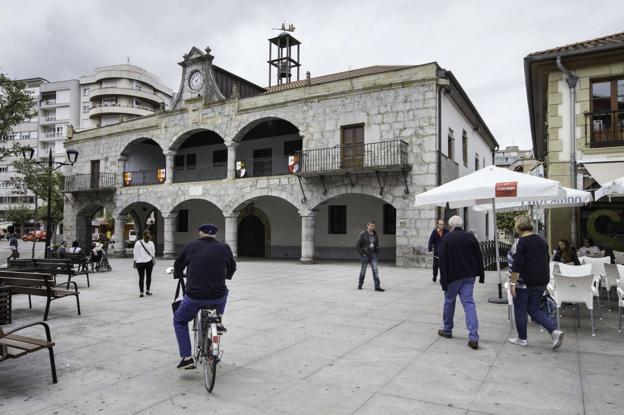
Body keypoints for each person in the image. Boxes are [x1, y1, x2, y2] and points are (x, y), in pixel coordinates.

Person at [173, 223, 236, 369]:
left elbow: (179, 264)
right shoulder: (224, 247)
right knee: (225, 291)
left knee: (179, 320)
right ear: (214, 234)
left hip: (195, 297)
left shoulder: (191, 246)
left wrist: (178, 274)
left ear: (200, 233)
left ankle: (187, 357)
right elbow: (232, 267)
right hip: (217, 296)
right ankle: (218, 319)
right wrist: (226, 276)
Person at [509, 215, 563, 350]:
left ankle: (522, 338)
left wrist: (512, 283)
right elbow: (546, 261)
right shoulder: (542, 241)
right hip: (540, 282)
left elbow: (517, 264)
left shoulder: (521, 242)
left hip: (524, 283)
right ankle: (554, 331)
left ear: (518, 226)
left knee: (520, 310)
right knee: (534, 309)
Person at [437, 215, 484, 350]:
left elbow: (442, 261)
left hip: (453, 276)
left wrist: (443, 280)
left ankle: (447, 329)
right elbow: (479, 256)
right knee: (469, 304)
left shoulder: (446, 238)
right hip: (469, 276)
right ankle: (473, 337)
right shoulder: (470, 237)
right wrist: (481, 274)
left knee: (449, 301)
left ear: (450, 226)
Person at [355, 221, 384, 292]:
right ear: (367, 225)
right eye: (371, 225)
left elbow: (377, 244)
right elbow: (357, 245)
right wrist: (362, 254)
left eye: (373, 226)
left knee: (375, 270)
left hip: (373, 255)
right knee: (363, 270)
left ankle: (377, 286)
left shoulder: (375, 234)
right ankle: (360, 284)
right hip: (365, 256)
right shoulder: (363, 234)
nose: (372, 227)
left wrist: (377, 252)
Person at [133, 230, 156, 297]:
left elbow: (135, 253)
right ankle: (148, 291)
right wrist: (153, 259)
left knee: (141, 277)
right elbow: (153, 252)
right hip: (149, 262)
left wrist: (134, 261)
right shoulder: (151, 243)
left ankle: (141, 292)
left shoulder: (138, 243)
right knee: (148, 276)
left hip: (139, 263)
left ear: (142, 235)